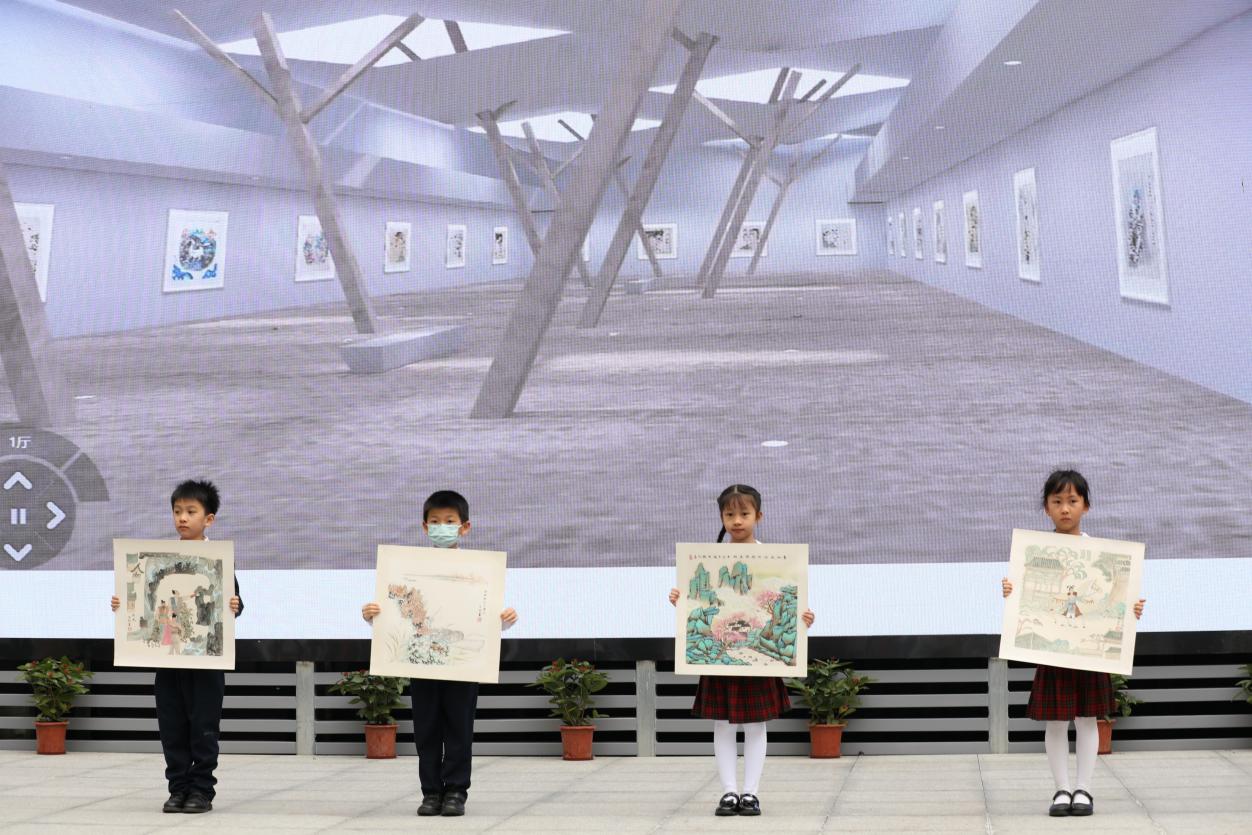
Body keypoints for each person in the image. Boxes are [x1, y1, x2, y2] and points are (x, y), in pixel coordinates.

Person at [361, 490, 518, 818]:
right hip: (423, 663)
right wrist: (373, 614)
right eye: (435, 521)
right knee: (427, 729)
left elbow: (483, 617)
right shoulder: (406, 568)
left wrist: (504, 619)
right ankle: (431, 792)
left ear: (465, 527)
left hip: (464, 666)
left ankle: (456, 791)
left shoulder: (480, 570)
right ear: (425, 527)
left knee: (459, 728)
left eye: (449, 521)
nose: (442, 527)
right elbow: (397, 614)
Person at [1001, 470, 1145, 818]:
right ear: (1046, 508)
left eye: (1072, 501)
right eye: (1057, 501)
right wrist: (1011, 592)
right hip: (1054, 651)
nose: (1065, 508)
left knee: (1086, 720)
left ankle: (1084, 789)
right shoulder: (1033, 552)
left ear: (1086, 506)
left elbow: (1113, 603)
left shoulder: (1102, 553)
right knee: (1055, 722)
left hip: (1088, 650)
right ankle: (1061, 789)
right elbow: (1026, 600)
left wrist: (1132, 610)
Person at [668, 484, 815, 817]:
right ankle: (728, 792)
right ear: (722, 516)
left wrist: (804, 618)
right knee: (722, 724)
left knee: (755, 725)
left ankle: (750, 793)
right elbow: (701, 605)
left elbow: (792, 604)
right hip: (722, 660)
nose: (737, 521)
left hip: (758, 664)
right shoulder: (707, 560)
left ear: (758, 516)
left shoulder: (778, 560)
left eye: (744, 513)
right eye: (730, 514)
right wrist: (682, 601)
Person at [111, 480, 242, 814]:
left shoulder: (218, 561)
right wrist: (123, 604)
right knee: (172, 727)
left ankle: (201, 791)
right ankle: (178, 789)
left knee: (203, 729)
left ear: (208, 519)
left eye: (191, 511)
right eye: (177, 511)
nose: (182, 518)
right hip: (168, 660)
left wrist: (235, 604)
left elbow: (231, 605)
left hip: (207, 663)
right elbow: (143, 606)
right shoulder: (157, 561)